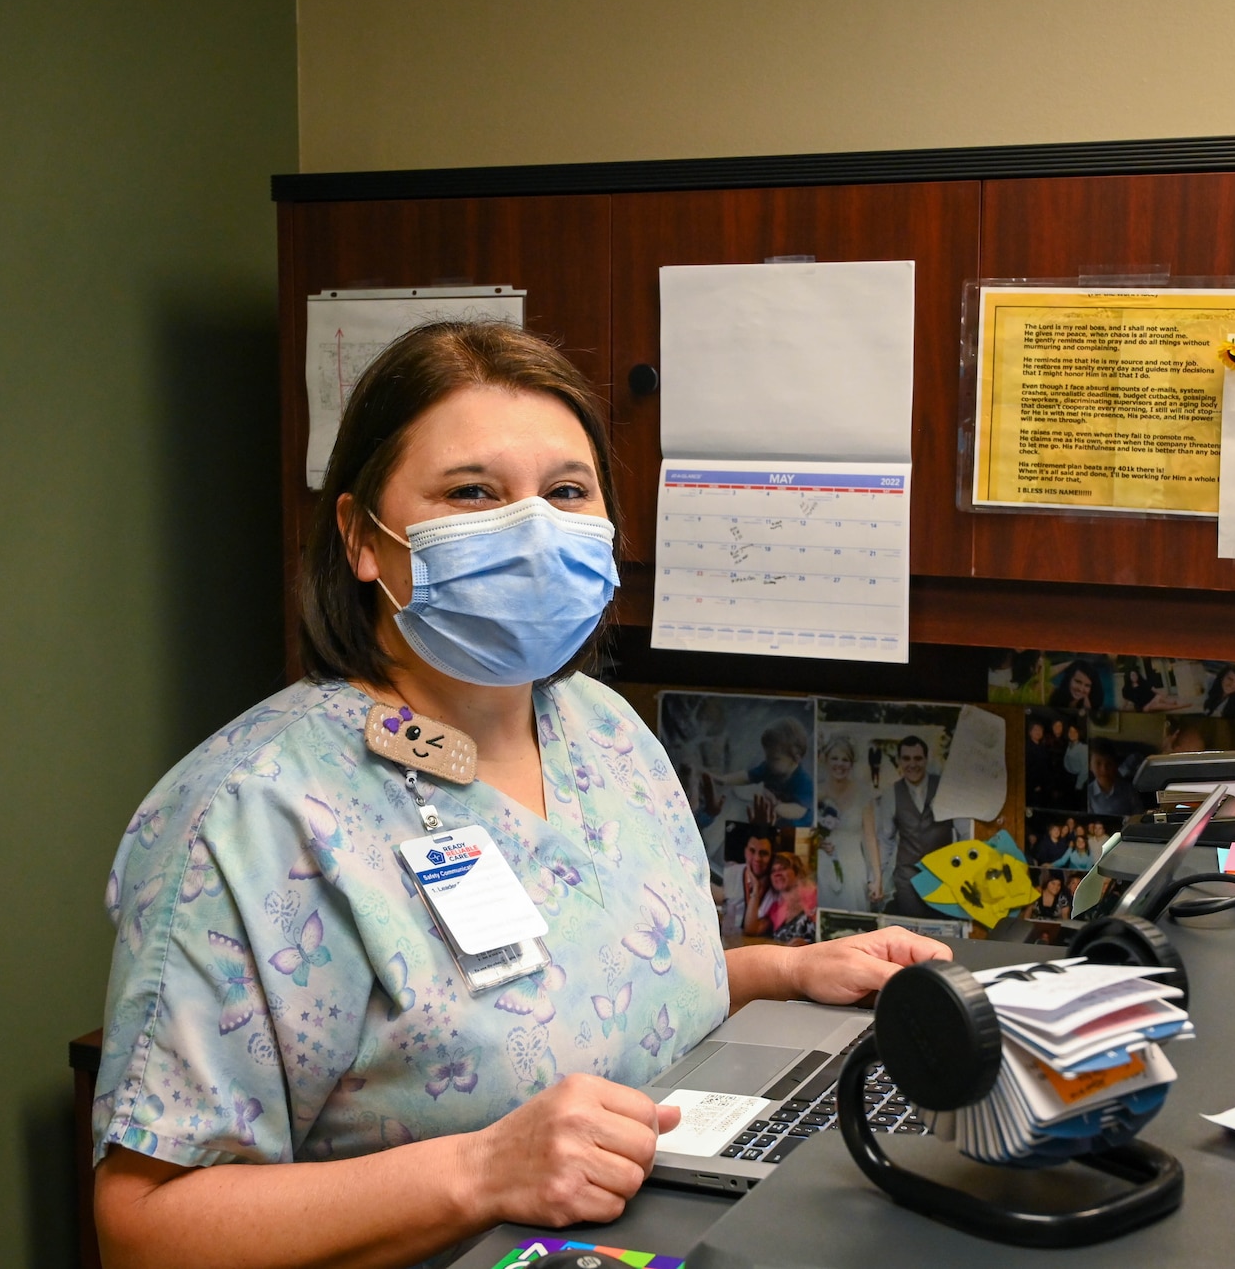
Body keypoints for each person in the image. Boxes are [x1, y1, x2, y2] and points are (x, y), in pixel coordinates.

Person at [89, 322, 948, 1269]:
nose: (534, 528)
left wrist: (784, 972)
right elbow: (146, 1229)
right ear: (361, 538)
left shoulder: (604, 728)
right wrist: (483, 1172)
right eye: (473, 492)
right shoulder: (256, 814)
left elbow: (596, 993)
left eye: (567, 491)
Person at [882, 736, 949, 919]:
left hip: (943, 876)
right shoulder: (891, 793)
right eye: (906, 758)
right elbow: (886, 840)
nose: (912, 764)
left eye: (918, 758)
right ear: (899, 761)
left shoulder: (944, 787)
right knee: (913, 931)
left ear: (926, 759)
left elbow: (963, 831)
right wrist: (878, 879)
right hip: (907, 878)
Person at [813, 735, 880, 912]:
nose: (839, 764)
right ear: (826, 760)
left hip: (853, 866)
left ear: (851, 764)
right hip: (821, 866)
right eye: (835, 758)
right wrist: (816, 842)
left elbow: (870, 837)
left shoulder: (862, 793)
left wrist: (877, 878)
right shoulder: (816, 792)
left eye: (845, 760)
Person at [762, 852, 818, 945]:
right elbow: (751, 929)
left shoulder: (815, 898)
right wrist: (756, 888)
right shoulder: (774, 908)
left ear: (797, 872)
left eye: (783, 868)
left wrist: (807, 946)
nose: (777, 874)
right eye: (773, 871)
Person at [1086, 739, 1143, 817]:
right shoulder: (1088, 793)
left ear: (1115, 765)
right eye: (1098, 763)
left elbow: (1138, 816)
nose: (1104, 769)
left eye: (1108, 764)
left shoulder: (1129, 790)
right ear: (1090, 766)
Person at [1063, 722, 1090, 791]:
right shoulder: (1070, 744)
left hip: (1076, 779)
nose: (1072, 733)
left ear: (1079, 733)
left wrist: (1079, 785)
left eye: (1075, 731)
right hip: (1067, 776)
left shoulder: (1083, 747)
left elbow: (1085, 769)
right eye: (1070, 731)